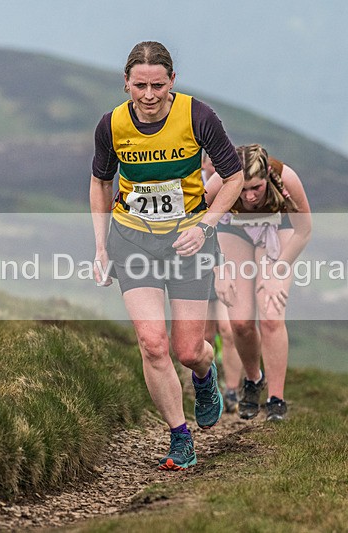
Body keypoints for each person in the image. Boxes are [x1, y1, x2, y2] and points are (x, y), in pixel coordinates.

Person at [89, 41, 243, 470]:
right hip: (133, 239)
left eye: (158, 85)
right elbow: (101, 183)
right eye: (140, 85)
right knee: (152, 343)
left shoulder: (198, 116)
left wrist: (205, 226)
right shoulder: (112, 125)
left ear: (172, 81)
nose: (150, 95)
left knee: (188, 349)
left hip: (189, 241)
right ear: (126, 83)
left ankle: (204, 375)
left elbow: (233, 177)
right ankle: (180, 437)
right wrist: (101, 246)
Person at [205, 144, 312, 422]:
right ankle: (253, 379)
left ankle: (276, 399)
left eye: (256, 188)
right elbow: (200, 227)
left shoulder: (287, 177)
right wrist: (219, 270)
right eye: (242, 190)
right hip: (233, 231)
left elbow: (304, 230)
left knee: (271, 315)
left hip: (280, 228)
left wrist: (278, 271)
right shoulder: (218, 182)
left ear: (267, 177)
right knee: (239, 322)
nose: (249, 196)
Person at [202, 153, 243, 413]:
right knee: (205, 335)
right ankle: (208, 387)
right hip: (201, 268)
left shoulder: (233, 186)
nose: (217, 167)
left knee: (228, 331)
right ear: (204, 164)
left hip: (228, 267)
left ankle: (232, 390)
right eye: (212, 162)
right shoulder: (197, 187)